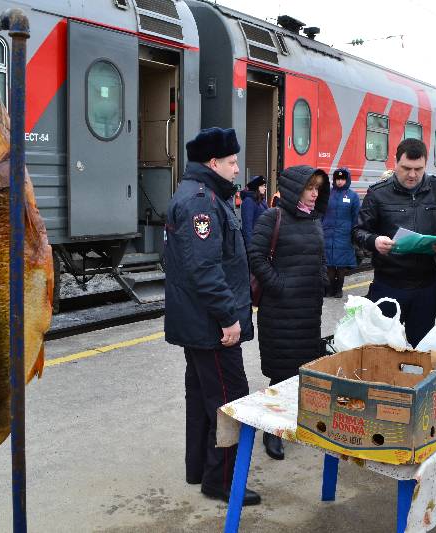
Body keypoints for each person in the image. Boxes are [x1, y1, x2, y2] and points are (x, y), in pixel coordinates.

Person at [163, 127, 260, 506]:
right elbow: (205, 270)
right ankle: (221, 480)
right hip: (211, 326)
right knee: (230, 399)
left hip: (197, 323)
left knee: (202, 395)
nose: (238, 169)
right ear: (213, 163)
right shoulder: (202, 203)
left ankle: (198, 468)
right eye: (233, 162)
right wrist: (228, 317)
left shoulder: (197, 196)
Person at [248, 166, 330, 460]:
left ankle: (294, 423)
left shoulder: (314, 220)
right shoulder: (273, 217)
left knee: (302, 370)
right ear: (296, 189)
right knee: (281, 375)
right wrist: (280, 286)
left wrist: (321, 278)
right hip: (280, 313)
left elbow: (320, 256)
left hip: (308, 311)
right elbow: (255, 256)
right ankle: (272, 432)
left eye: (318, 188)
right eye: (310, 188)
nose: (314, 194)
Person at [352, 138, 436, 346]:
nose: (412, 175)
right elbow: (358, 231)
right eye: (406, 168)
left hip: (427, 287)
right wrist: (374, 241)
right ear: (395, 163)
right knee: (380, 346)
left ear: (425, 165)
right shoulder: (378, 193)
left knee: (421, 347)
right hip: (388, 284)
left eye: (418, 169)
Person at [322, 167, 360, 298]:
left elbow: (356, 217)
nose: (339, 181)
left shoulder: (353, 196)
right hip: (327, 233)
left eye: (342, 179)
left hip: (344, 235)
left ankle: (339, 289)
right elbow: (321, 213)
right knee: (329, 264)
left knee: (341, 265)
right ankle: (330, 288)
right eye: (337, 179)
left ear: (347, 179)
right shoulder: (327, 194)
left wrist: (355, 234)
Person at [239, 175, 268, 247]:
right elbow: (247, 227)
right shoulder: (248, 201)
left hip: (262, 241)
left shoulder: (261, 200)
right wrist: (250, 247)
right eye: (262, 186)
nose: (265, 188)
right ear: (256, 187)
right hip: (255, 243)